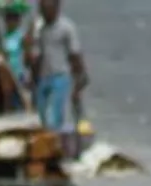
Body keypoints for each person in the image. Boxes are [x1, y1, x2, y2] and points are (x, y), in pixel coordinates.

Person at [29, 0, 89, 159]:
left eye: (48, 8)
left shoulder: (66, 28)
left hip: (60, 76)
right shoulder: (40, 29)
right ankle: (47, 150)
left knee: (55, 117)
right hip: (43, 77)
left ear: (57, 7)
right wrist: (33, 81)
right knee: (41, 118)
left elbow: (75, 54)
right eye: (41, 8)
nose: (44, 12)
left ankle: (55, 153)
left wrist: (80, 77)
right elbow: (36, 55)